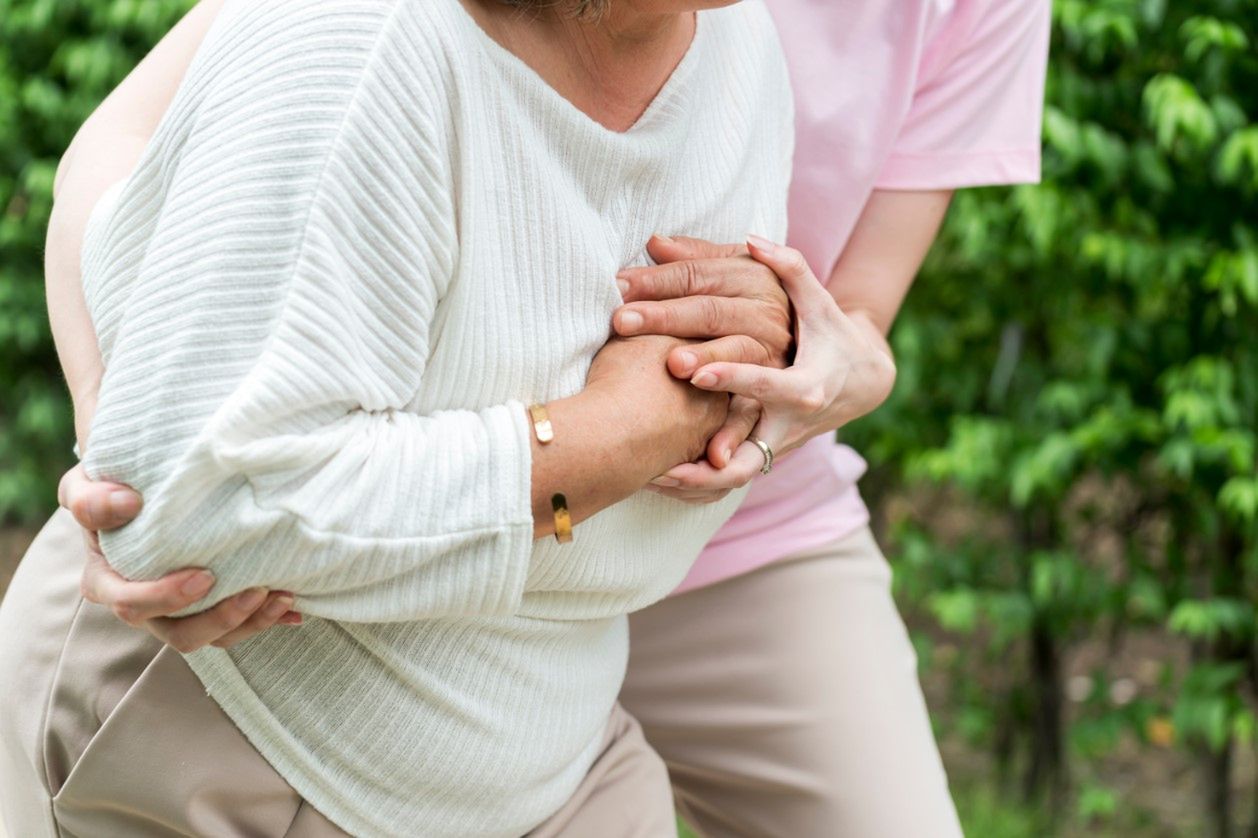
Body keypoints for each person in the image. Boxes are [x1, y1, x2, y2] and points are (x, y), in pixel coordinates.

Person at [18, 0, 1053, 836]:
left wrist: (773, 369)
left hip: (642, 590)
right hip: (311, 685)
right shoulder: (360, 40)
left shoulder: (745, 61)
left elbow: (844, 315)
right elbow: (126, 158)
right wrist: (134, 444)